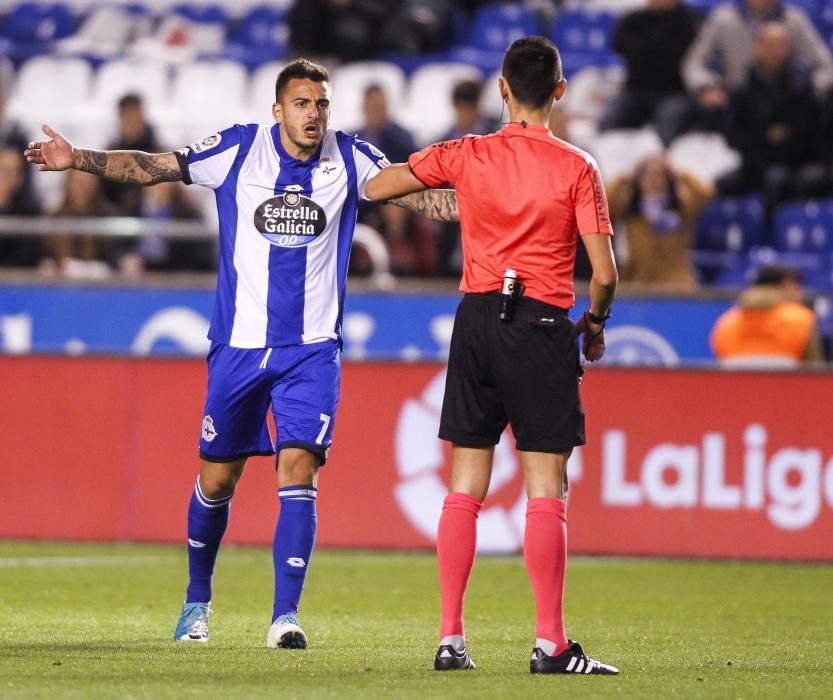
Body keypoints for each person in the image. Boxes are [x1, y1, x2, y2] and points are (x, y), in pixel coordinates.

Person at [24, 58, 457, 648]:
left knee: (298, 464)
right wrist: (80, 159)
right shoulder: (236, 149)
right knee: (218, 480)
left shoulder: (351, 157)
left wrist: (498, 208)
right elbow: (158, 167)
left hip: (311, 349)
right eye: (302, 104)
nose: (314, 114)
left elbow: (419, 197)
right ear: (278, 109)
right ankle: (196, 602)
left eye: (322, 104)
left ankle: (285, 618)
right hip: (238, 347)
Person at [365, 36, 619, 675]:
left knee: (464, 484)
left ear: (501, 89)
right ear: (559, 91)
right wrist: (594, 324)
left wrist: (461, 202)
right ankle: (550, 644)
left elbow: (377, 186)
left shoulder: (466, 152)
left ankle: (451, 639)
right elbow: (606, 274)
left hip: (476, 318)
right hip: (539, 323)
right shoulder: (577, 167)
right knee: (545, 485)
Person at [716, 22, 827, 218]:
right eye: (769, 43)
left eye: (780, 44)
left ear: (790, 49)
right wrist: (765, 137)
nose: (775, 50)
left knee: (775, 180)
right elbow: (732, 135)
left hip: (793, 165)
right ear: (757, 47)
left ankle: (769, 237)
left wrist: (768, 138)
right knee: (721, 184)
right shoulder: (743, 88)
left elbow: (805, 133)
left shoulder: (802, 88)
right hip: (753, 162)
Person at [682, 0, 833, 130]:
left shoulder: (794, 19)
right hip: (734, 103)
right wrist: (706, 86)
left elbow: (826, 66)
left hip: (785, 104)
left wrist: (808, 91)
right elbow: (693, 64)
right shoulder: (723, 18)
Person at [599, 0, 699, 146]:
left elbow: (677, 58)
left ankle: (663, 164)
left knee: (667, 127)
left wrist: (648, 50)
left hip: (674, 90)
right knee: (609, 121)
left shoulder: (689, 21)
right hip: (636, 89)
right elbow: (621, 46)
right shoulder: (633, 20)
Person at [608, 155, 713, 290]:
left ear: (668, 180)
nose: (653, 180)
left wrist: (679, 173)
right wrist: (627, 176)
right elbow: (604, 200)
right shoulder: (631, 211)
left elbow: (705, 193)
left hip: (676, 285)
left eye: (659, 175)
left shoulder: (681, 209)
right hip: (637, 283)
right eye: (647, 175)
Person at [710, 265, 824, 366]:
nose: (801, 292)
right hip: (787, 388)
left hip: (738, 388)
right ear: (787, 285)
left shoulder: (726, 323)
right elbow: (814, 371)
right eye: (798, 286)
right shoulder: (801, 319)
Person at [102, 93, 161, 217]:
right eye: (127, 119)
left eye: (134, 119)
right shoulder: (110, 154)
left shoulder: (159, 153)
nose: (131, 125)